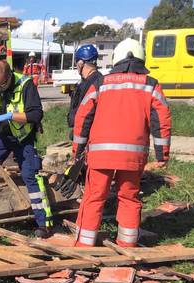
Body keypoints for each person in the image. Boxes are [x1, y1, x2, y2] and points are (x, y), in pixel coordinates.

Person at [72, 38, 171, 248]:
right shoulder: (151, 85)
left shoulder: (101, 84)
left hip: (100, 155)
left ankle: (84, 245)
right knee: (129, 198)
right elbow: (161, 121)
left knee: (94, 198)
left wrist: (77, 150)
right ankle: (127, 245)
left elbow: (83, 117)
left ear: (116, 58)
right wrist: (162, 155)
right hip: (132, 157)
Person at [0, 60, 53, 238]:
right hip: (2, 137)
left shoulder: (26, 84)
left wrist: (10, 116)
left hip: (24, 138)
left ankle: (43, 223)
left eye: (1, 85)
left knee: (30, 175)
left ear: (9, 78)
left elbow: (36, 114)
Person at [67, 44, 102, 134]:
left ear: (81, 63)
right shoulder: (101, 80)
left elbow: (81, 114)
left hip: (85, 133)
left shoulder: (85, 85)